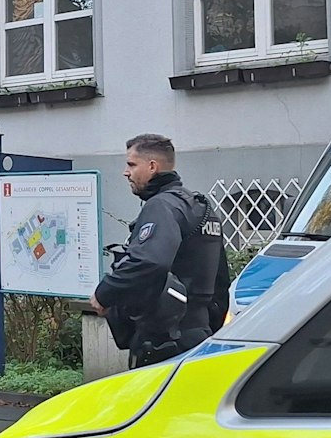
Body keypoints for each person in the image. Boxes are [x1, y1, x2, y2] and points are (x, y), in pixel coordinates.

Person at [91, 134, 231, 367]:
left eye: (131, 164)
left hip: (163, 340)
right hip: (198, 336)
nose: (126, 172)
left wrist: (104, 293)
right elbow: (220, 281)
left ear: (152, 166)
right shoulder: (199, 207)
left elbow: (149, 261)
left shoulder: (162, 206)